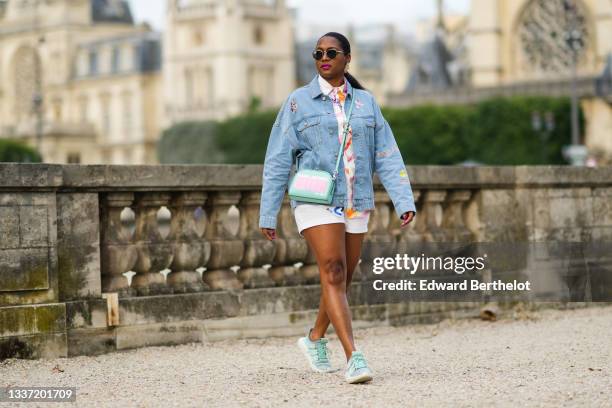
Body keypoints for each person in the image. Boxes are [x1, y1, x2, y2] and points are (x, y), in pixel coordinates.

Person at [258, 32, 416, 384]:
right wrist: (268, 212)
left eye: (332, 52)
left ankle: (314, 339)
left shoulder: (366, 103)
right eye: (318, 53)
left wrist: (403, 199)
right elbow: (278, 160)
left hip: (356, 201)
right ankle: (354, 357)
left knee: (341, 279)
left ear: (347, 58)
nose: (324, 57)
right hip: (315, 199)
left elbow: (387, 154)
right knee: (332, 270)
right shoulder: (298, 102)